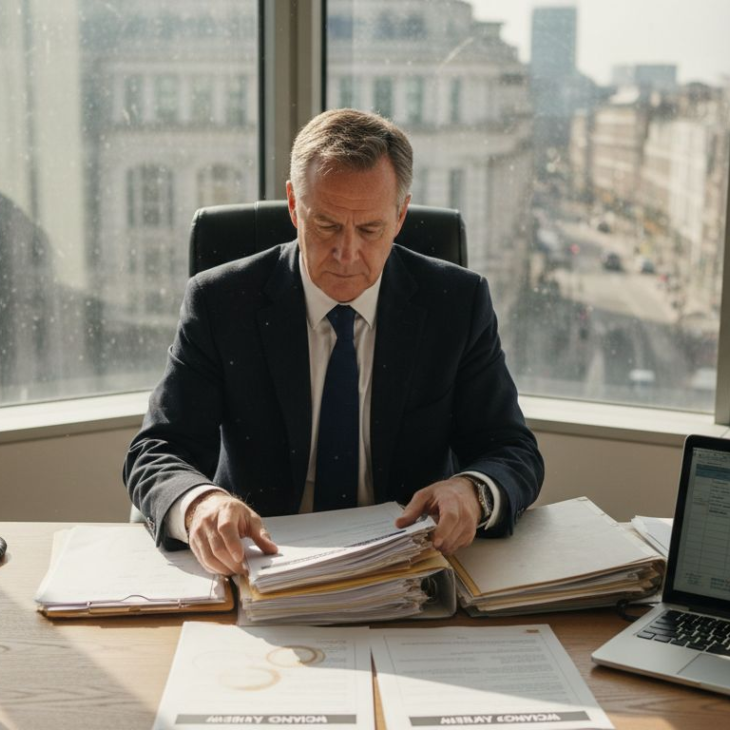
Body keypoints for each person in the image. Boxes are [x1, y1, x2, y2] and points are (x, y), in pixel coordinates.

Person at [124, 109, 544, 576]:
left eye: (369, 229)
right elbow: (157, 449)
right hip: (262, 564)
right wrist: (198, 503)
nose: (347, 254)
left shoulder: (456, 303)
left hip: (406, 567)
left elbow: (512, 449)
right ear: (293, 205)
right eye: (326, 225)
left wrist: (473, 490)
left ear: (400, 215)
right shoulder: (221, 302)